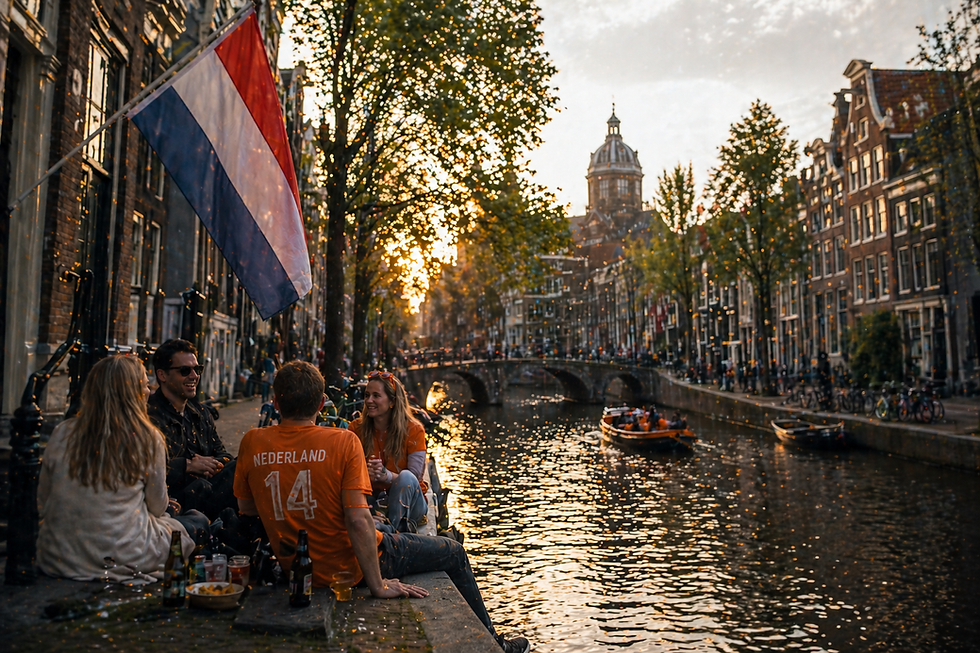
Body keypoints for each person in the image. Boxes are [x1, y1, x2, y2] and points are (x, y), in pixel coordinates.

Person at [234, 362, 530, 653]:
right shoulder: (343, 441)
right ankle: (496, 645)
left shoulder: (251, 441)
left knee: (386, 524)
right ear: (323, 403)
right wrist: (377, 585)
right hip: (350, 569)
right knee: (452, 553)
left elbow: (247, 508)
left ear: (274, 401)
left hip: (296, 568)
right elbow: (358, 521)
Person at [37, 355, 208, 581]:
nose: (149, 392)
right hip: (122, 552)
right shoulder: (147, 438)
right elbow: (157, 507)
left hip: (59, 555)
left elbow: (43, 500)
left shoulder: (62, 432)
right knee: (197, 521)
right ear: (134, 392)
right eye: (146, 386)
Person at [147, 339, 236, 521]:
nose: (194, 376)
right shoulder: (149, 417)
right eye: (185, 371)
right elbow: (146, 469)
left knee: (246, 463)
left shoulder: (200, 413)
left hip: (210, 490)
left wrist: (210, 465)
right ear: (162, 375)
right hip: (174, 501)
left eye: (198, 369)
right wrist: (187, 466)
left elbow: (223, 455)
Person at [348, 370, 428, 533]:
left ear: (392, 401)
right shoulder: (355, 429)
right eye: (367, 395)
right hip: (373, 500)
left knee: (405, 476)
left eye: (376, 396)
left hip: (411, 504)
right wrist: (365, 475)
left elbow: (414, 478)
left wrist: (388, 476)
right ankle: (381, 525)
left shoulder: (414, 430)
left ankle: (392, 531)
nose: (369, 401)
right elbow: (347, 474)